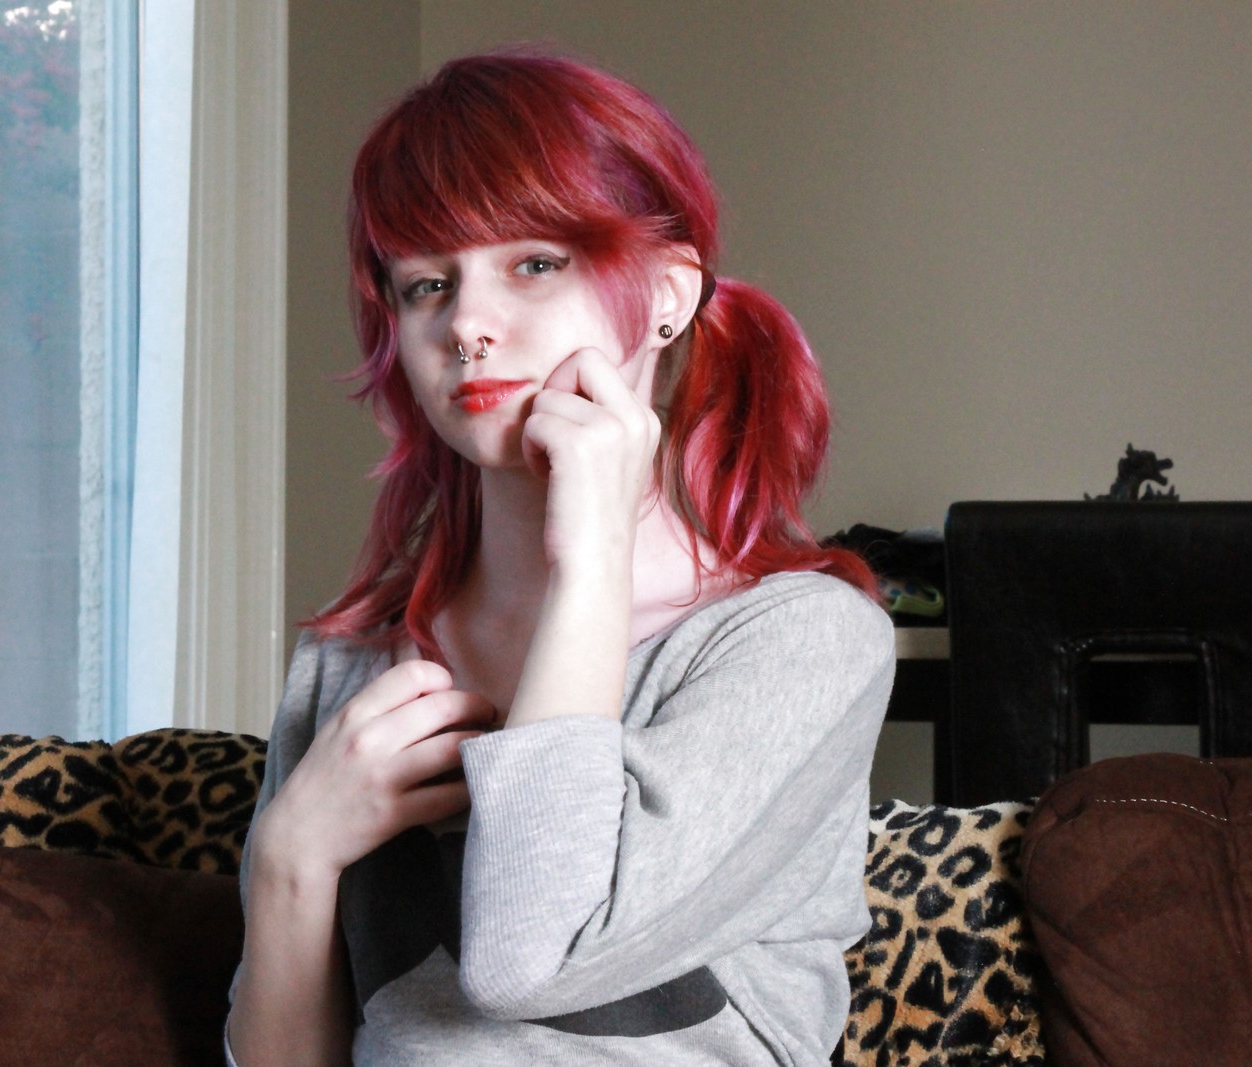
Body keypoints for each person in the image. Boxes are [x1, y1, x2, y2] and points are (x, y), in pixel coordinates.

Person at [226, 51, 894, 1067]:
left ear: (667, 292)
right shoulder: (355, 659)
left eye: (534, 263)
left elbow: (534, 957)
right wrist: (290, 857)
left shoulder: (802, 643)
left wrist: (590, 557)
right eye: (426, 284)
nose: (467, 326)